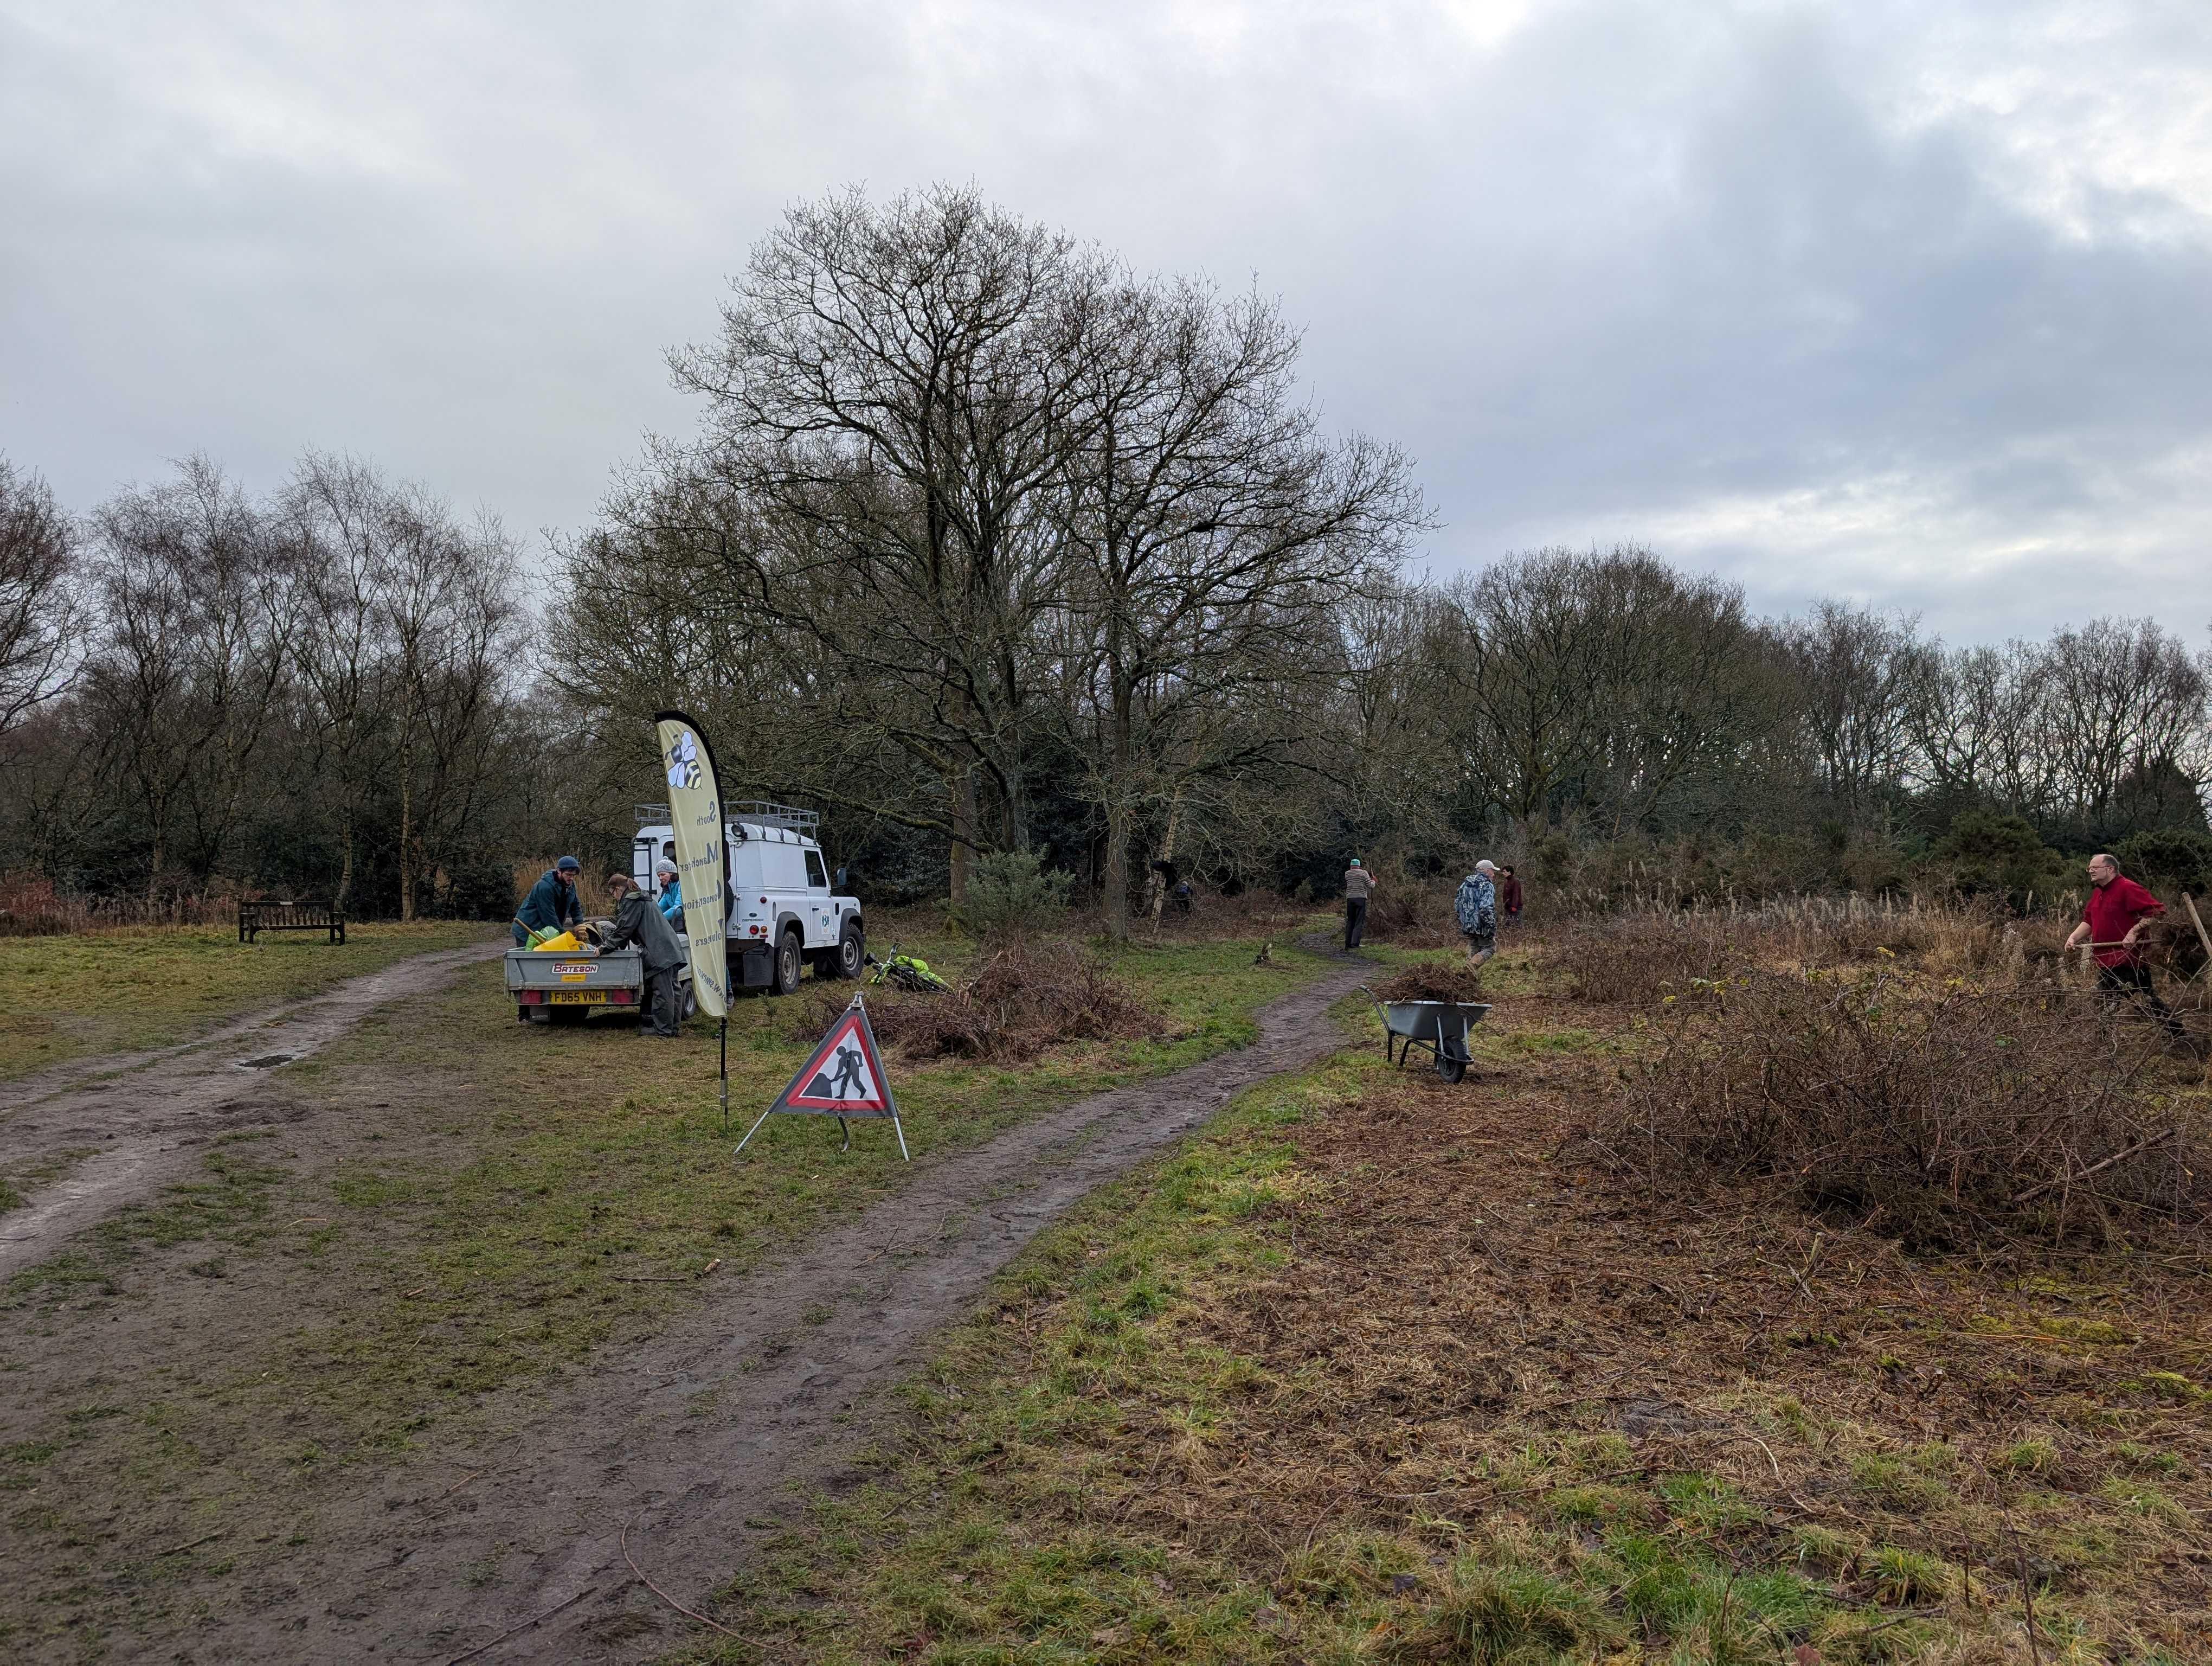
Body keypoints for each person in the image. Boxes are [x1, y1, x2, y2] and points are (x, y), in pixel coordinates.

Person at [2064, 852, 2185, 1038]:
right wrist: (2073, 938)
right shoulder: (2098, 893)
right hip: (2106, 959)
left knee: (2139, 1001)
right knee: (2121, 1002)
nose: (2090, 871)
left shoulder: (2128, 888)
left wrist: (2134, 932)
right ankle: (2105, 1041)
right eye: (2089, 868)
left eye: (2095, 868)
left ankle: (2177, 1034)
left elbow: (2155, 912)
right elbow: (2089, 921)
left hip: (2129, 959)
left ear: (2110, 869)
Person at [601, 872, 686, 1037]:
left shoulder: (631, 901)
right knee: (673, 990)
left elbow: (625, 928)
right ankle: (672, 1029)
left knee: (663, 993)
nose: (614, 898)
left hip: (659, 952)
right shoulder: (643, 897)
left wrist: (605, 947)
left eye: (613, 894)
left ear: (618, 889)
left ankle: (663, 1031)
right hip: (671, 948)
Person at [513, 856, 583, 946]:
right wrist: (563, 935)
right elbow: (549, 916)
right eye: (568, 875)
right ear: (559, 871)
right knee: (533, 955)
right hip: (528, 930)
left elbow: (575, 906)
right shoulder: (544, 887)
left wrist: (580, 925)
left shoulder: (569, 884)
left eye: (573, 875)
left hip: (546, 931)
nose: (571, 878)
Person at [1454, 860, 1498, 965]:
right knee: (1490, 948)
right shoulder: (1487, 885)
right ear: (1486, 871)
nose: (1494, 874)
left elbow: (1457, 904)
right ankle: (1471, 967)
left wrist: (1463, 920)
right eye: (1492, 871)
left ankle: (1465, 974)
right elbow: (1486, 908)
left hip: (1467, 925)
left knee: (1474, 948)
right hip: (1481, 925)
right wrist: (1491, 925)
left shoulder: (1465, 884)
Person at [1342, 857, 1376, 950]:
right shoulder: (1364, 873)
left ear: (1351, 866)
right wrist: (1374, 880)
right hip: (1360, 898)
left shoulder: (1347, 874)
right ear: (1359, 866)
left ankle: (1348, 944)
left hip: (1350, 899)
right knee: (1359, 921)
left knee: (1350, 921)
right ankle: (1355, 943)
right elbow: (1370, 886)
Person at [655, 858, 683, 925]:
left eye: (663, 874)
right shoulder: (667, 888)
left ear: (671, 873)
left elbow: (679, 909)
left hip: (687, 924)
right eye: (659, 876)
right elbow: (659, 908)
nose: (660, 878)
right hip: (677, 922)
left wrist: (659, 919)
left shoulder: (681, 885)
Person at [1499, 864, 1523, 929]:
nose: (1503, 873)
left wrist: (1514, 906)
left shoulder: (1515, 881)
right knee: (1506, 926)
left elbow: (1516, 894)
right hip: (1508, 907)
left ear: (1509, 872)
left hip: (1516, 907)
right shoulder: (1506, 882)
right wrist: (1504, 905)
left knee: (1517, 926)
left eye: (1504, 872)